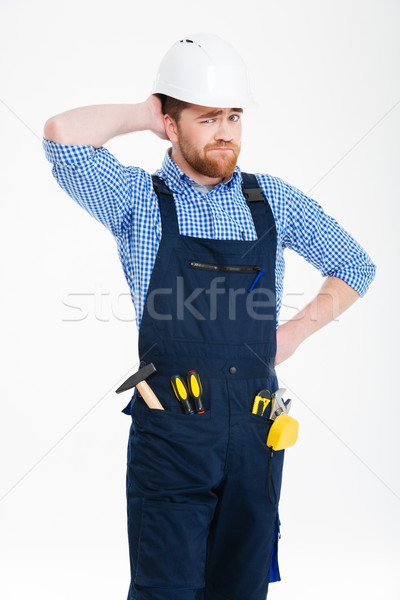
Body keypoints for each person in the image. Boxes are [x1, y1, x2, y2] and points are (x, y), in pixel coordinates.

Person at [42, 33, 376, 600]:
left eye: (234, 117)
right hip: (172, 436)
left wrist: (292, 334)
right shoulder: (136, 200)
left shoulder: (272, 201)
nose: (225, 131)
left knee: (241, 590)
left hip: (254, 435)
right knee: (165, 590)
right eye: (206, 117)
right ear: (171, 125)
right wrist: (145, 113)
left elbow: (354, 266)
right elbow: (60, 135)